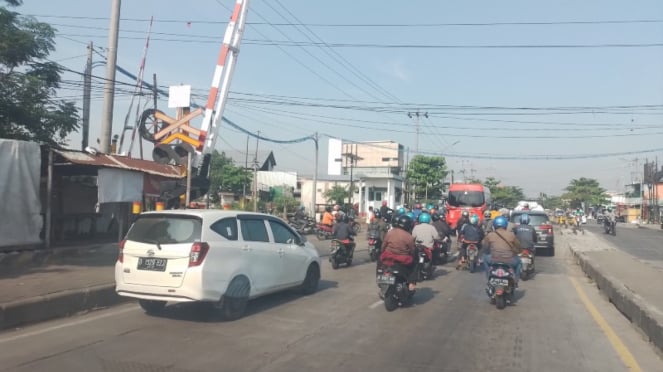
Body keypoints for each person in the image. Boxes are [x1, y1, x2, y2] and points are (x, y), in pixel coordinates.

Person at [380, 214, 419, 291]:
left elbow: (383, 245)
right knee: (415, 264)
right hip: (402, 259)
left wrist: (382, 252)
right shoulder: (409, 237)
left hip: (388, 256)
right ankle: (411, 283)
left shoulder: (390, 232)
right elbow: (412, 250)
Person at [481, 216, 523, 285]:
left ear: (494, 225)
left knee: (484, 259)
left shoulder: (490, 235)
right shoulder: (511, 235)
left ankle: (488, 276)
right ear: (505, 225)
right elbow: (518, 246)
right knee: (519, 263)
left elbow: (485, 247)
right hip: (509, 260)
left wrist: (485, 252)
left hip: (494, 259)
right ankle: (516, 280)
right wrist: (518, 251)